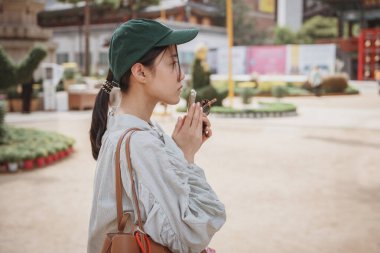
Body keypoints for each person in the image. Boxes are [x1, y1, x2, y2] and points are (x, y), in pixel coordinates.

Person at [88, 19, 226, 253]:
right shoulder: (140, 143)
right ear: (140, 72)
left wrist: (178, 150)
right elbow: (191, 235)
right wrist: (186, 158)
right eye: (173, 63)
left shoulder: (126, 126)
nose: (181, 74)